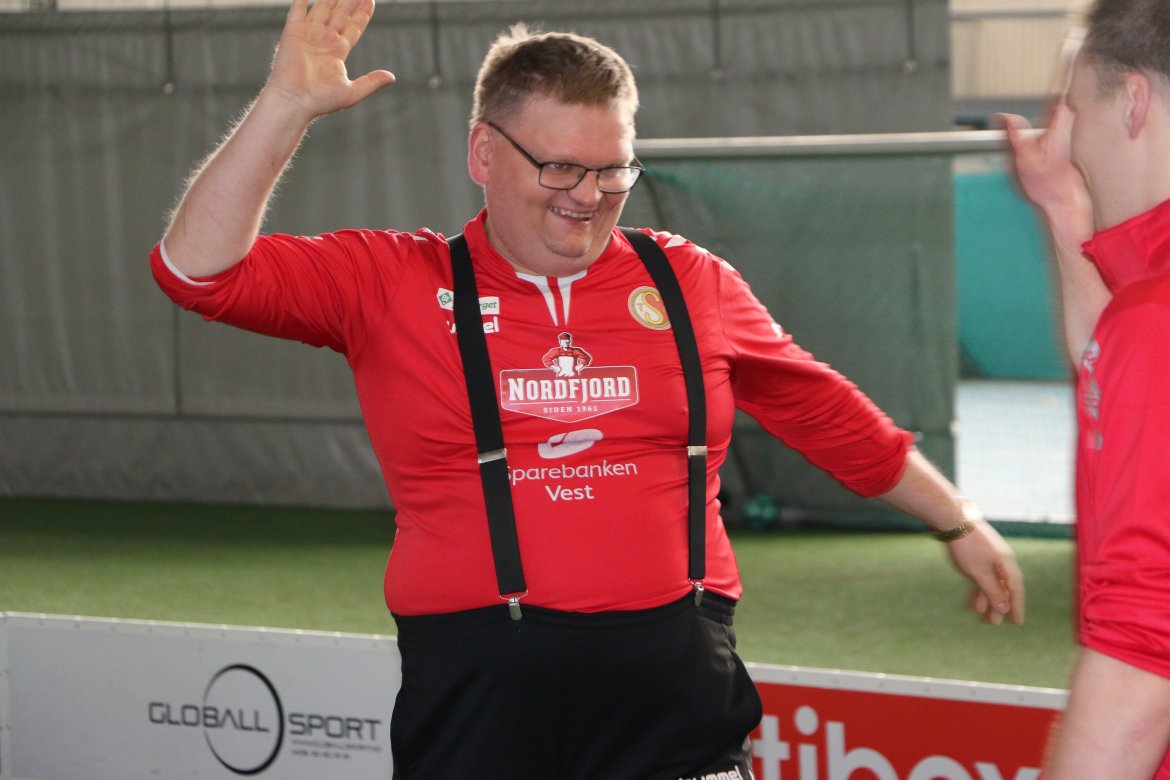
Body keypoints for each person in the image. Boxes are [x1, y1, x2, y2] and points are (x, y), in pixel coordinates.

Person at [154, 0, 1024, 776]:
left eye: (614, 170)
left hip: (677, 685)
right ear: (483, 153)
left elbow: (819, 406)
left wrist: (955, 518)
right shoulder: (392, 280)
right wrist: (285, 106)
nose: (591, 196)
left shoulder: (688, 278)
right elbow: (196, 271)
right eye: (561, 168)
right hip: (480, 691)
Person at [1002, 0, 1170, 776]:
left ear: (1133, 101)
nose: (1072, 143)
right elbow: (1112, 367)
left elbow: (1145, 652)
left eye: (1077, 109)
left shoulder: (1155, 322)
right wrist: (1062, 203)